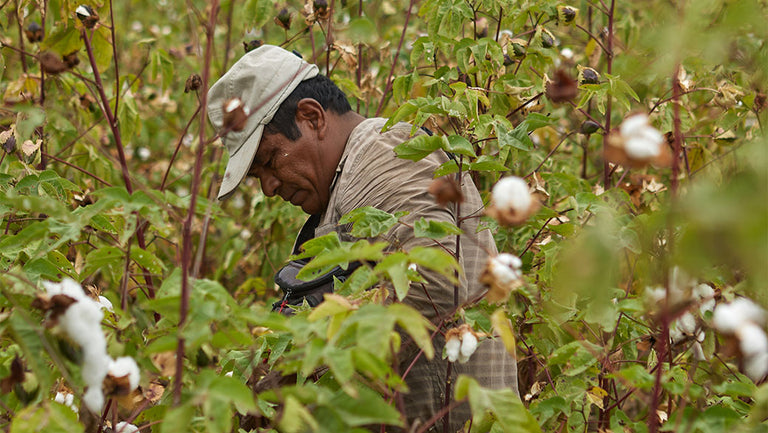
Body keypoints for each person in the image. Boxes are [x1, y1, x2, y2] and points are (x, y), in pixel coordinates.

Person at [207, 44, 518, 432]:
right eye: (257, 176)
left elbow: (436, 282)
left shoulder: (379, 157)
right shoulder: (347, 176)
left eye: (270, 160)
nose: (269, 187)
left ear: (312, 117)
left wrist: (294, 363)